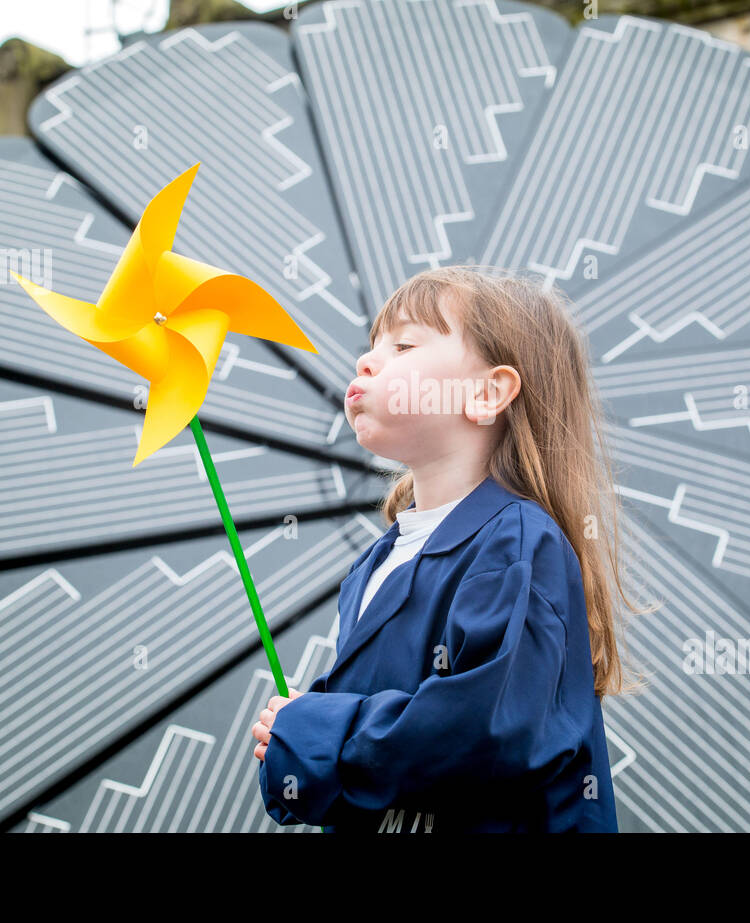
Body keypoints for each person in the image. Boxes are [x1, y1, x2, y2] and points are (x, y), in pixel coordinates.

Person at [253, 265, 648, 832]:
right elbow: (379, 777)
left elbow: (483, 732)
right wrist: (291, 738)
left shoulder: (516, 540)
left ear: (489, 393)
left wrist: (319, 731)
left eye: (404, 344)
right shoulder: (375, 564)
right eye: (372, 346)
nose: (367, 361)